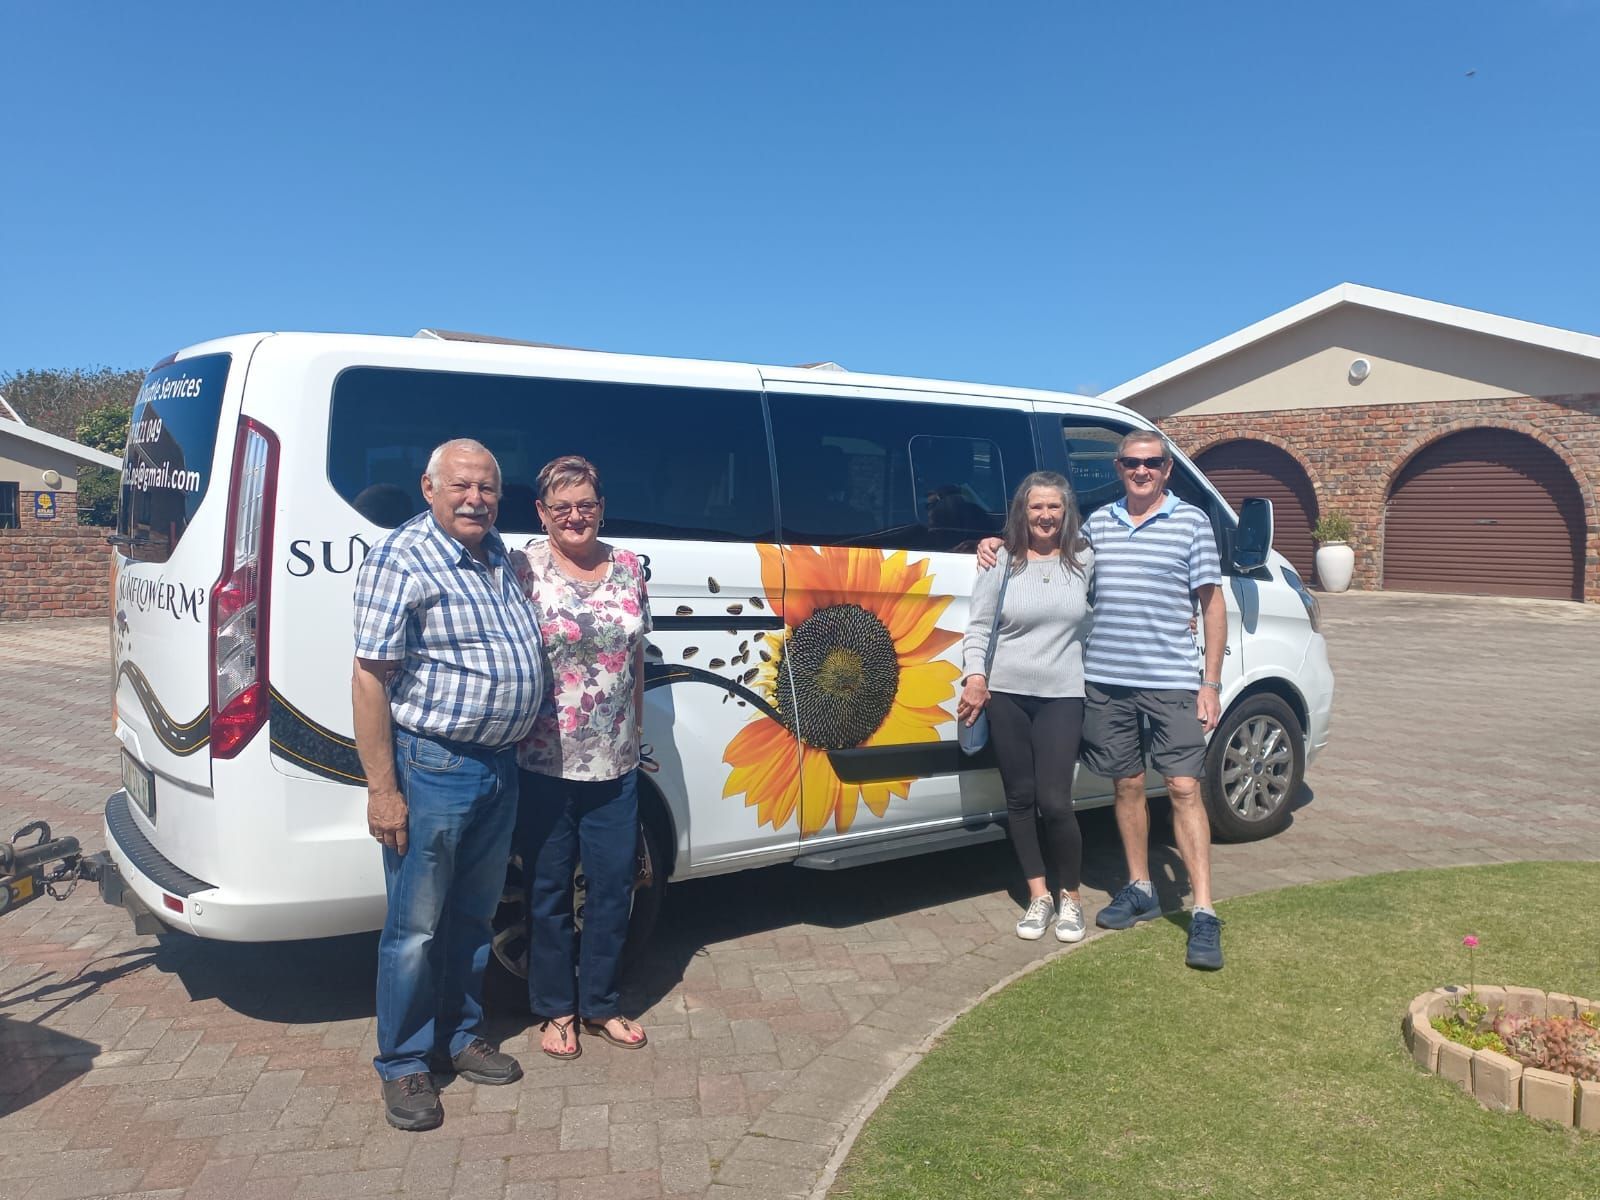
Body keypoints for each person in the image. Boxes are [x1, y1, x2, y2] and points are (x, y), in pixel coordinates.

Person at [352, 438, 545, 1132]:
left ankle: (460, 1038)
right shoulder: (402, 558)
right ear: (429, 488)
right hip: (434, 769)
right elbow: (371, 678)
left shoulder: (499, 556)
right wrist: (383, 790)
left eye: (488, 488)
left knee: (474, 918)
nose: (475, 499)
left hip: (499, 767)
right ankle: (404, 1063)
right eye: (461, 486)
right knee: (414, 929)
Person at [980, 430, 1227, 970]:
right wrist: (991, 542)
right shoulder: (1098, 527)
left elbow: (1212, 604)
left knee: (1184, 786)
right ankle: (1140, 887)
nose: (1142, 470)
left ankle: (1204, 911)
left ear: (1167, 469)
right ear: (1118, 468)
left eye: (1152, 463)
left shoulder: (1193, 522)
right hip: (1105, 680)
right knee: (1127, 784)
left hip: (1169, 679)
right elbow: (1046, 560)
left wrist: (1210, 683)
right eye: (1132, 463)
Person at [511, 455, 652, 1060]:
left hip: (615, 764)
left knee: (613, 886)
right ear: (542, 513)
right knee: (545, 890)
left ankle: (600, 1004)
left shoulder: (625, 566)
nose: (576, 516)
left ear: (601, 506)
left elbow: (637, 656)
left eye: (586, 504)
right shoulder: (522, 566)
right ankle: (556, 1010)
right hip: (543, 761)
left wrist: (639, 733)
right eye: (561, 507)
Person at [958, 472, 1094, 943]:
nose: (1045, 516)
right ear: (1023, 511)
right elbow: (977, 627)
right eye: (1036, 507)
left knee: (1056, 801)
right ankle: (1039, 896)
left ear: (1066, 511)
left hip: (1063, 693)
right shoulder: (1001, 562)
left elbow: (1116, 608)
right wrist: (975, 677)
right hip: (1007, 694)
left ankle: (1070, 898)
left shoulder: (1086, 561)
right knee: (1019, 799)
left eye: (1054, 507)